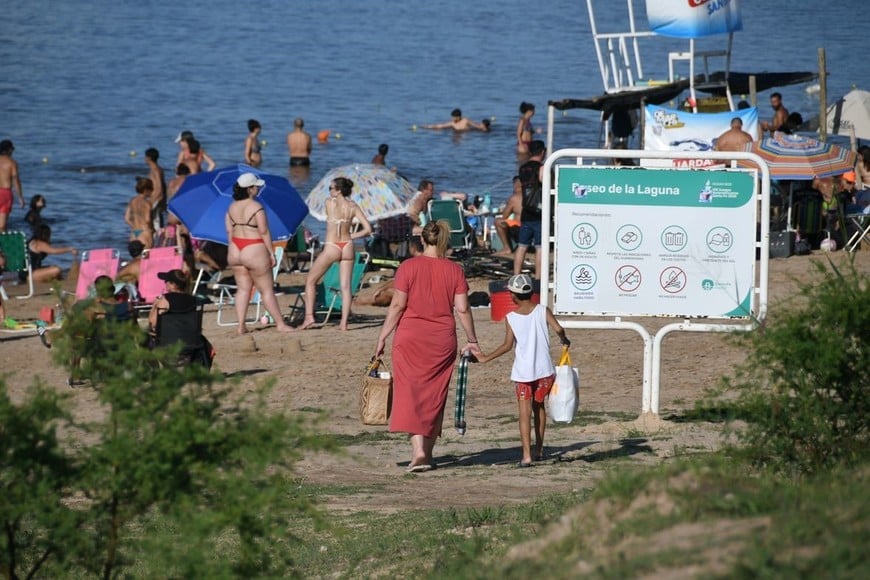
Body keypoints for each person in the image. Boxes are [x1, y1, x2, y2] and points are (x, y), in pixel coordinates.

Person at [374, 220, 482, 472]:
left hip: (410, 337)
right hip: (441, 339)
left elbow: (398, 306)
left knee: (409, 392)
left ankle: (419, 451)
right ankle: (427, 454)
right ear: (444, 241)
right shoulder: (455, 270)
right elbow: (463, 309)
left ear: (422, 240)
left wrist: (383, 335)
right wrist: (472, 339)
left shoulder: (408, 267)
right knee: (434, 395)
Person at [475, 274, 570, 466]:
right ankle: (539, 449)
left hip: (523, 373)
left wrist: (485, 358)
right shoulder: (543, 310)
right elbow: (558, 328)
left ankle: (526, 455)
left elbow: (507, 345)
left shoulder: (511, 318)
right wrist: (564, 339)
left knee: (524, 413)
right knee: (539, 407)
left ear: (513, 295)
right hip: (544, 371)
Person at [299, 176, 372, 330]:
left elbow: (331, 217)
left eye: (331, 188)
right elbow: (368, 229)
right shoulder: (353, 206)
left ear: (338, 191)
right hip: (347, 245)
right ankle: (344, 324)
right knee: (346, 287)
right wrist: (352, 235)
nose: (329, 191)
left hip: (332, 246)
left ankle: (309, 317)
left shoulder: (329, 203)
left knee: (311, 281)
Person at [225, 172, 293, 334]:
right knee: (266, 289)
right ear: (249, 189)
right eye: (256, 187)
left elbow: (229, 231)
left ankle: (241, 325)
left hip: (235, 248)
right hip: (253, 247)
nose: (258, 189)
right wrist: (271, 253)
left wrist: (232, 248)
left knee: (242, 289)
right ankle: (280, 325)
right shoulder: (256, 207)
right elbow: (264, 232)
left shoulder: (231, 207)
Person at [514, 140, 546, 279]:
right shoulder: (542, 167)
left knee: (522, 246)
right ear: (543, 152)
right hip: (540, 211)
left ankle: (516, 275)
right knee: (540, 248)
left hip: (526, 209)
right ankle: (538, 277)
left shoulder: (522, 168)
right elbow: (544, 182)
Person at [147, 269, 197, 334]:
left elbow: (152, 324)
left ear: (173, 284)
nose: (165, 283)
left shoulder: (165, 300)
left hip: (168, 340)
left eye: (166, 281)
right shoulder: (193, 300)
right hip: (189, 338)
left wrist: (155, 305)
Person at [493, 176, 523, 257]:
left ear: (515, 185)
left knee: (498, 221)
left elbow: (504, 216)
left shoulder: (514, 198)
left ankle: (507, 248)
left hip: (521, 227)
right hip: (536, 225)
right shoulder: (534, 194)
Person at [0, 139, 25, 232]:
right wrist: (20, 197)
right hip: (5, 194)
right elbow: (16, 181)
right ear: (9, 150)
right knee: (2, 226)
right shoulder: (12, 163)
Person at [125, 177, 155, 249]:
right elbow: (148, 220)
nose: (152, 191)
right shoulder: (147, 203)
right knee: (146, 256)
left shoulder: (132, 201)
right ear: (146, 190)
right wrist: (152, 229)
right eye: (151, 189)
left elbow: (127, 218)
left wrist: (134, 226)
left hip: (134, 233)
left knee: (135, 256)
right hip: (144, 232)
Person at [144, 147, 166, 236]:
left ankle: (156, 245)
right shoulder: (158, 169)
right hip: (157, 199)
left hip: (156, 199)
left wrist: (152, 201)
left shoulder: (155, 170)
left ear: (148, 158)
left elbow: (159, 187)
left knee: (155, 224)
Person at [422, 108, 487, 132]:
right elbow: (440, 126)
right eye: (452, 117)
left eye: (454, 117)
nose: (452, 119)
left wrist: (483, 128)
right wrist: (427, 127)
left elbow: (476, 126)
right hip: (457, 132)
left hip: (466, 132)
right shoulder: (452, 123)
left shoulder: (465, 120)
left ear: (458, 117)